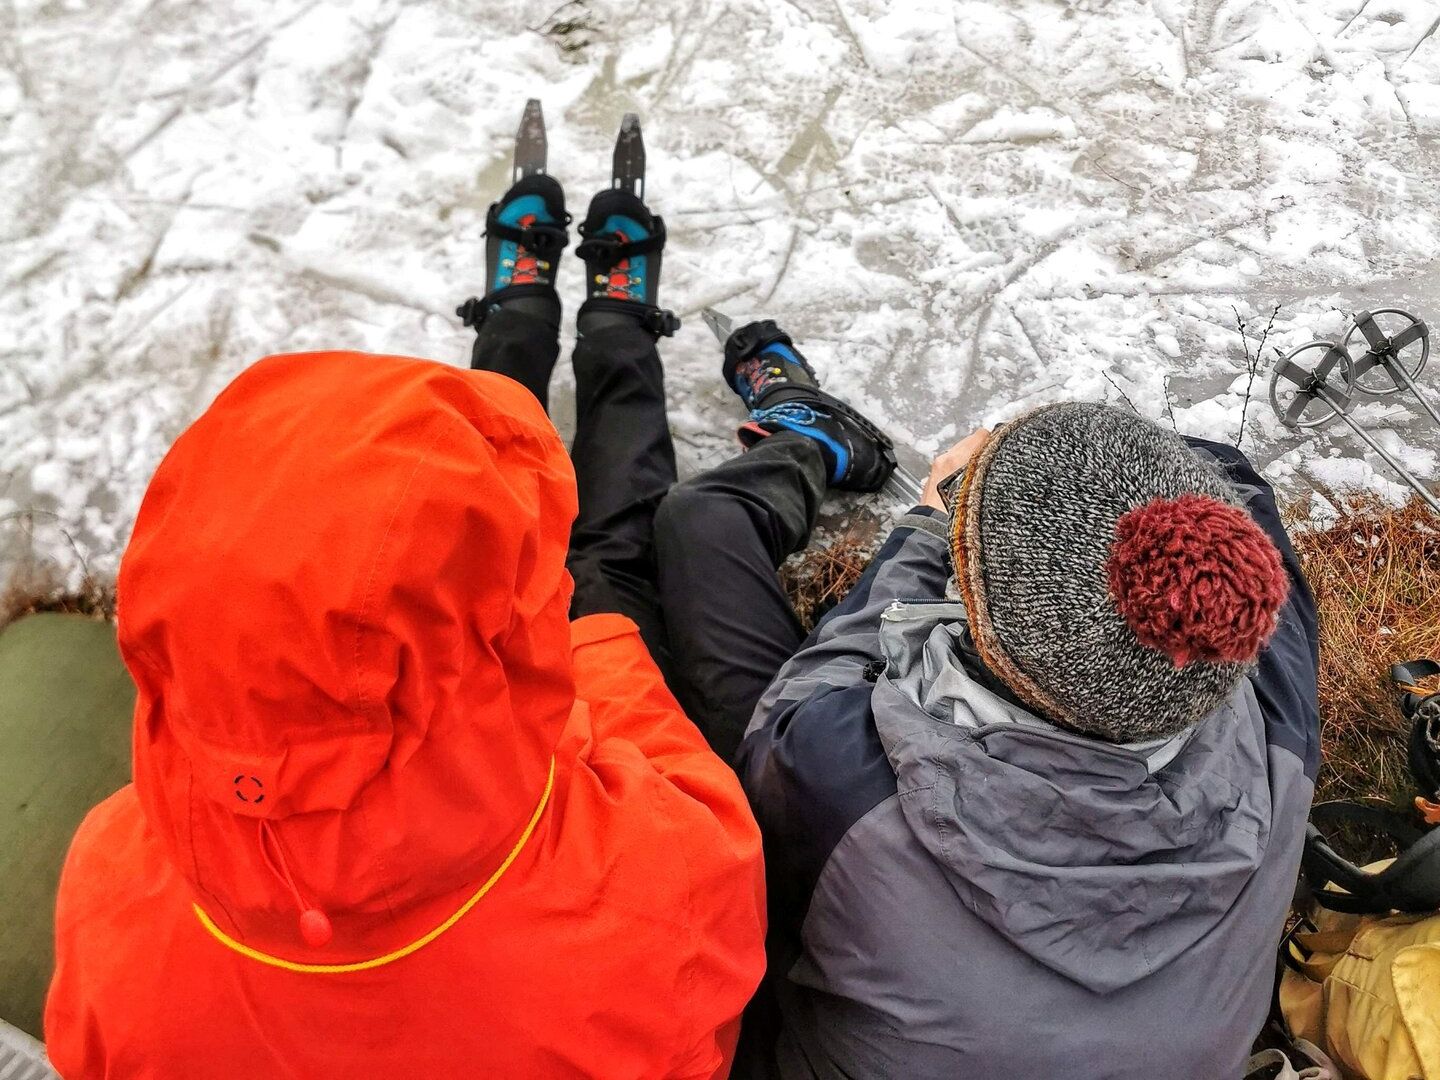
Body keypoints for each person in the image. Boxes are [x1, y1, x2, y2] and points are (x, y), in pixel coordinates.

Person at [44, 143, 767, 1079]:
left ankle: (520, 313)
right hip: (558, 799)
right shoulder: (647, 915)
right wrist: (592, 645)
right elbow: (698, 812)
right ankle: (610, 330)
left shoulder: (106, 884)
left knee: (481, 516)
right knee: (609, 556)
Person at [660, 327, 1318, 1077]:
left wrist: (928, 527)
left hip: (805, 1018)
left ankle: (803, 438)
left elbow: (800, 705)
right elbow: (1235, 480)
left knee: (695, 525)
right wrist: (1065, 489)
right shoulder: (1275, 704)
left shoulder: (844, 775)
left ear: (976, 600)